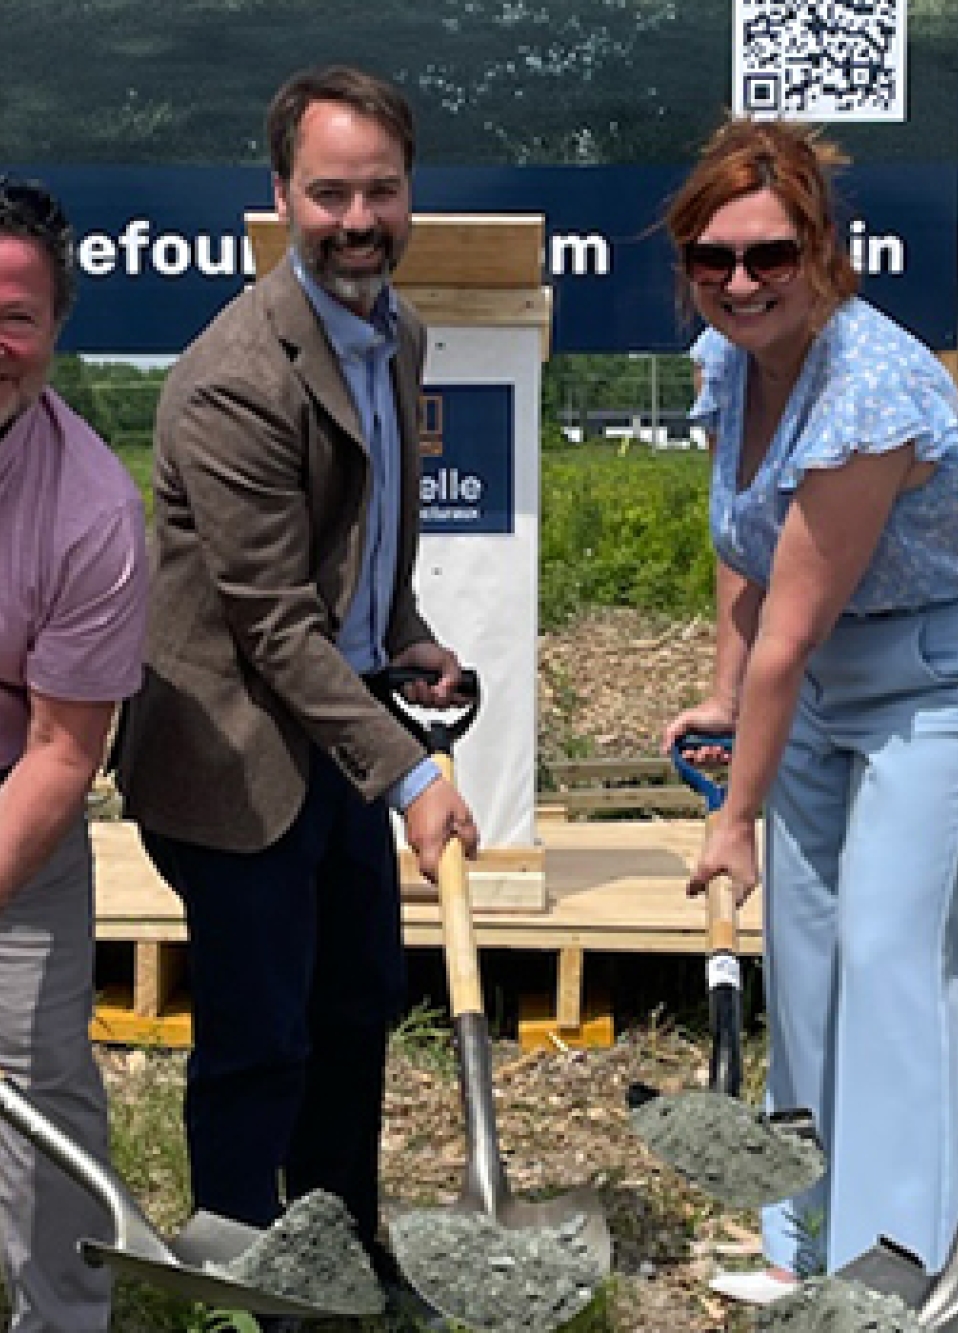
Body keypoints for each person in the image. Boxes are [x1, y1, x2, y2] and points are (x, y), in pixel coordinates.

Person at [113, 64, 480, 1286]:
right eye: (330, 194)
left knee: (355, 1006)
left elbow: (350, 545)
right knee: (261, 1034)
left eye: (381, 190)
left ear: (409, 191)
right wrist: (414, 776)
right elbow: (271, 623)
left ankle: (341, 1257)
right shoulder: (237, 375)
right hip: (232, 754)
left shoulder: (395, 332)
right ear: (280, 196)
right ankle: (240, 1278)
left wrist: (403, 631)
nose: (357, 219)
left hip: (332, 723)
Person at [661, 116, 958, 1303]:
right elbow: (744, 546)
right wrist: (721, 691)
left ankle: (900, 1274)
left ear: (821, 252)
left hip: (937, 682)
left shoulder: (870, 387)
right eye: (712, 259)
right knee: (804, 964)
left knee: (893, 956)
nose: (740, 282)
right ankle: (798, 1247)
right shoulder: (728, 362)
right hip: (810, 683)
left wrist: (731, 821)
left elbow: (793, 628)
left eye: (769, 255)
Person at [0, 176, 148, 1332]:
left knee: (37, 1079)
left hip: (18, 810)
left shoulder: (90, 509)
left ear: (55, 331)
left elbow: (61, 752)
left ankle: (61, 1316)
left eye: (17, 316)